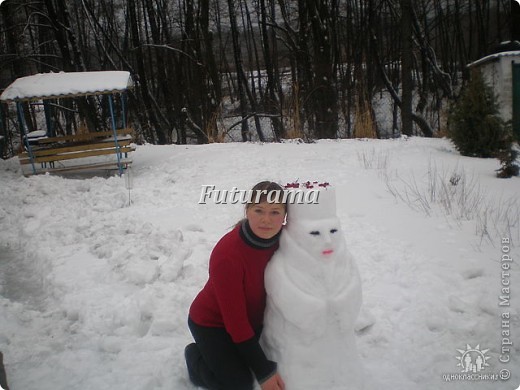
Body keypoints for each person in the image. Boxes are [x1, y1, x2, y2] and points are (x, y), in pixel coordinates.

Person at [185, 181, 286, 390]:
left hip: (252, 321)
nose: (266, 220)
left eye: (275, 212)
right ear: (247, 210)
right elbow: (235, 323)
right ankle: (195, 357)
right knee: (239, 384)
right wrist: (264, 373)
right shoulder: (228, 254)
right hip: (212, 323)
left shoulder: (287, 240)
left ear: (285, 216)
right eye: (259, 210)